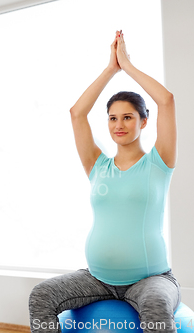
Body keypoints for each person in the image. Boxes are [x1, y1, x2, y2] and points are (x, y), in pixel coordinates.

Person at [28, 31, 180, 333]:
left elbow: (167, 100)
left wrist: (128, 64)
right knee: (41, 295)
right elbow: (76, 113)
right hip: (96, 277)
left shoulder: (159, 162)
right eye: (112, 118)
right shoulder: (97, 165)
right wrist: (110, 69)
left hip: (151, 278)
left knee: (156, 306)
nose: (119, 125)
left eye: (127, 117)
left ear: (143, 121)